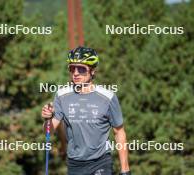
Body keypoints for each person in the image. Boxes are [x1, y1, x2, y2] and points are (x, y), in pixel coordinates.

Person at [41, 46, 131, 175]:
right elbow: (48, 131)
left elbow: (119, 132)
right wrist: (47, 119)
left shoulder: (108, 97)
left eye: (82, 69)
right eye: (72, 68)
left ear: (93, 71)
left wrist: (125, 169)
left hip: (101, 161)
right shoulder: (61, 95)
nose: (76, 73)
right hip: (74, 163)